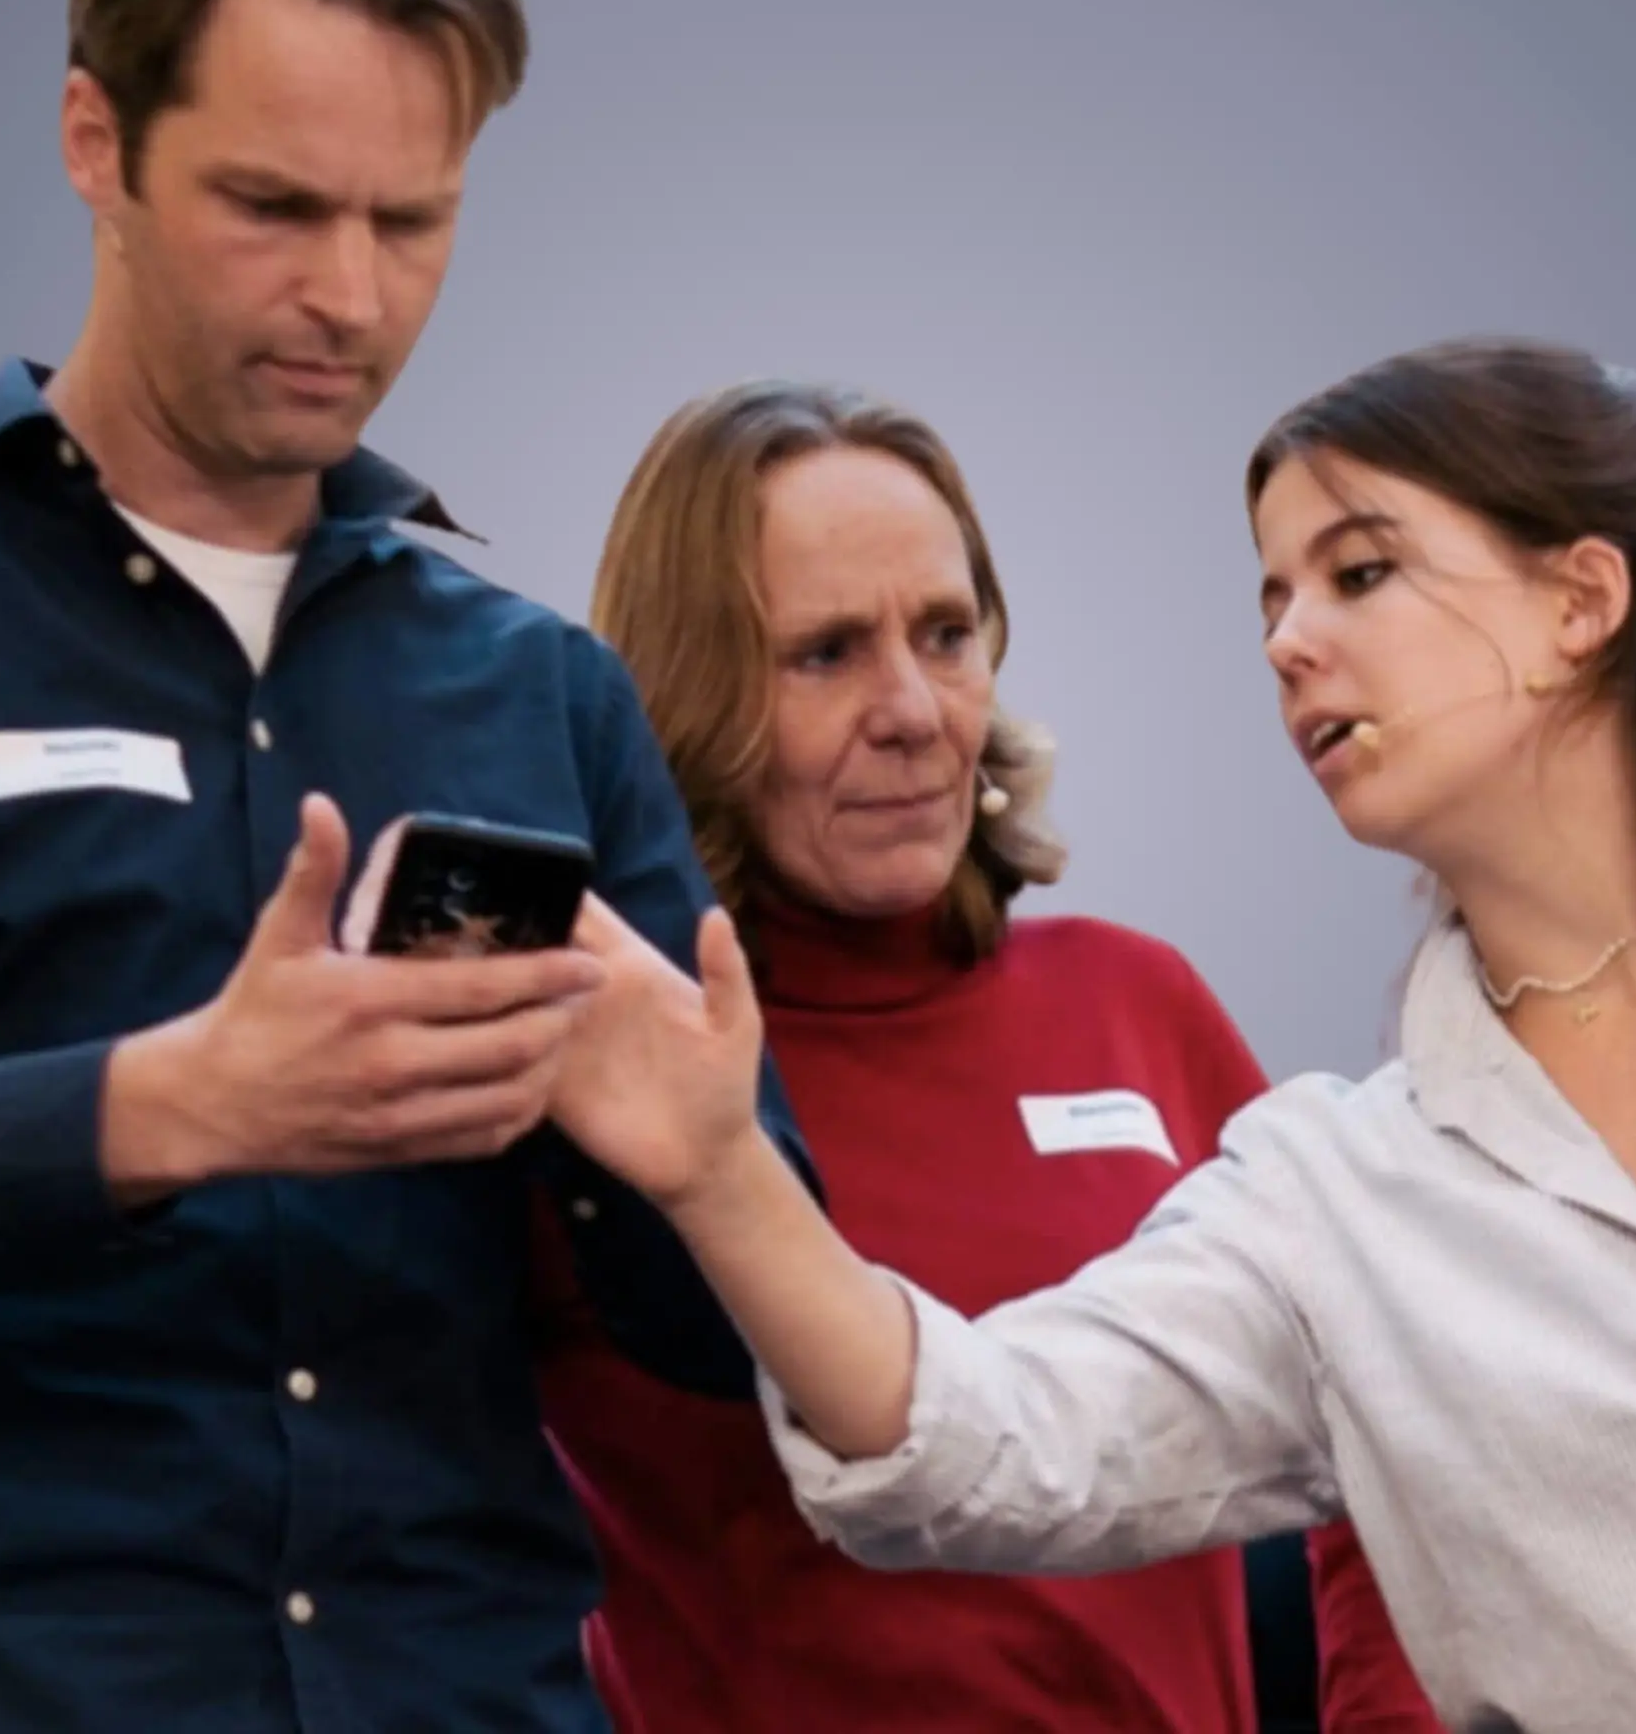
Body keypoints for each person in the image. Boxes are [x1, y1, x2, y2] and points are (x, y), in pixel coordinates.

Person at [546, 339, 1636, 1733]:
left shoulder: (1141, 1007)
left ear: (1582, 600)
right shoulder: (1336, 1198)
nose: (1285, 641)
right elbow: (983, 1437)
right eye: (824, 652)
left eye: (1360, 573)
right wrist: (728, 1171)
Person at [0, 0, 808, 1733]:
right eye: (274, 205)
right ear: (93, 140)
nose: (350, 295)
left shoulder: (541, 692)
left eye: (413, 222)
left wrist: (700, 1174)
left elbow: (728, 1355)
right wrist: (157, 1108)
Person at [533, 381, 1439, 1731]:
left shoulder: (1137, 1001)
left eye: (946, 636)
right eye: (825, 654)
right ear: (686, 702)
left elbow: (1382, 1444)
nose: (913, 709)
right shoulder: (604, 1079)